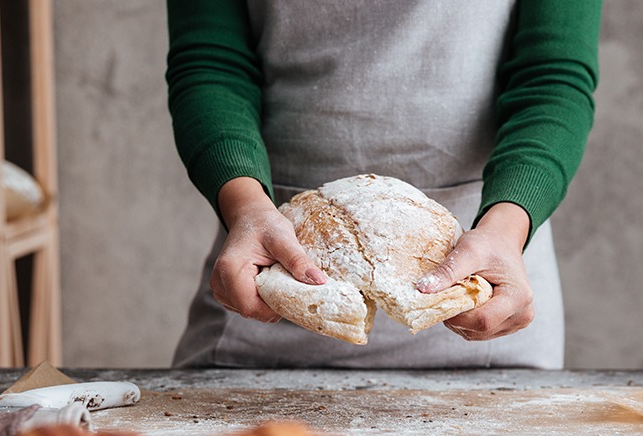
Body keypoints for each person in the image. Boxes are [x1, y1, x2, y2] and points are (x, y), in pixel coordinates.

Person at [166, 0, 601, 368]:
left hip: (485, 283)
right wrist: (246, 207)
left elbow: (552, 74)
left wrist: (507, 227)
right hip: (272, 268)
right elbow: (211, 62)